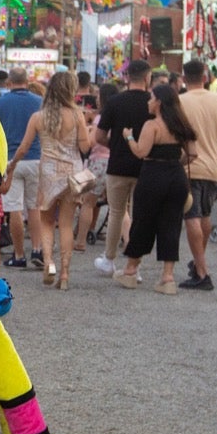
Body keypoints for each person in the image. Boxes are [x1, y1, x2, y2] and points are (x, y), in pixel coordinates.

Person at [2, 71, 91, 288]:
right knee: (67, 224)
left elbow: (23, 148)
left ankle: (49, 263)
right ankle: (65, 275)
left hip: (48, 174)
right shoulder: (77, 114)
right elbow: (85, 148)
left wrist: (11, 166)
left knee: (47, 222)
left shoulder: (38, 117)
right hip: (72, 175)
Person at [114, 84, 196, 294]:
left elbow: (141, 152)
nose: (148, 101)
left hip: (153, 175)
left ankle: (131, 269)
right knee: (171, 225)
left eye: (151, 98)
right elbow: (193, 153)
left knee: (143, 222)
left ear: (159, 102)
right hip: (176, 176)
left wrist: (129, 137)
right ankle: (167, 277)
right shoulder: (181, 124)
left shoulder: (152, 125)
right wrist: (175, 159)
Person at [176, 59, 217, 292]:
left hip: (187, 166)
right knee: (205, 215)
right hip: (213, 167)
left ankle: (202, 272)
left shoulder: (179, 102)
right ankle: (199, 261)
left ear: (183, 77)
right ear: (205, 76)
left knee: (192, 216)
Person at [92, 60, 152, 278]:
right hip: (146, 166)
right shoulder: (152, 102)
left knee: (116, 212)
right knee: (139, 216)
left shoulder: (115, 102)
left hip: (117, 165)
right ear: (147, 77)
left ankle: (109, 259)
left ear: (127, 77)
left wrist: (116, 145)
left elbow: (99, 135)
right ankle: (134, 266)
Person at [0, 67, 43, 269]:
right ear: (28, 80)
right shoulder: (39, 101)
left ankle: (19, 254)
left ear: (8, 83)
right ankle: (38, 250)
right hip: (36, 158)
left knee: (14, 208)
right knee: (34, 207)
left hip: (10, 160)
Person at [74, 92, 107, 251]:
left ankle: (80, 241)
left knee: (87, 202)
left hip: (98, 163)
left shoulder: (101, 119)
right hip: (114, 163)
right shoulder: (117, 116)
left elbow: (91, 143)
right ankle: (127, 238)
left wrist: (86, 130)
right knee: (118, 208)